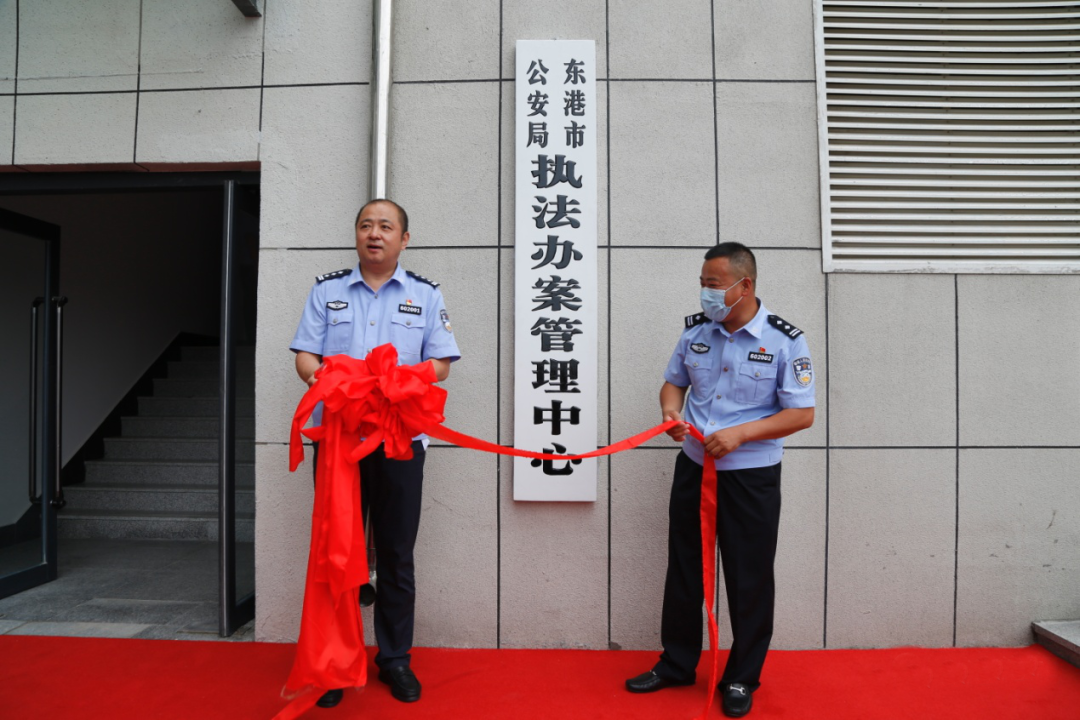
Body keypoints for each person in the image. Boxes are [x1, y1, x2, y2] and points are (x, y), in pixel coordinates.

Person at [625, 243, 815, 718]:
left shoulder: (784, 340)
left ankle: (741, 677)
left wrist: (741, 434)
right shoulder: (696, 332)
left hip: (750, 477)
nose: (706, 293)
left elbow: (801, 414)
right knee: (685, 569)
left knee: (749, 577)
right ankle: (676, 664)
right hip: (694, 467)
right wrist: (670, 413)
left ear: (743, 286)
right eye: (703, 284)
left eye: (714, 285)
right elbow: (675, 382)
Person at [290, 199, 460, 708]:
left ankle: (395, 658)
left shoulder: (425, 294)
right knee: (337, 551)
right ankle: (333, 664)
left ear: (404, 239)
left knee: (395, 552)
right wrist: (329, 382)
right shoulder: (327, 290)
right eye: (366, 225)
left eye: (386, 226)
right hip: (340, 442)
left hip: (399, 441)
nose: (374, 233)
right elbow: (305, 356)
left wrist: (396, 382)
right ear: (356, 235)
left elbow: (441, 364)